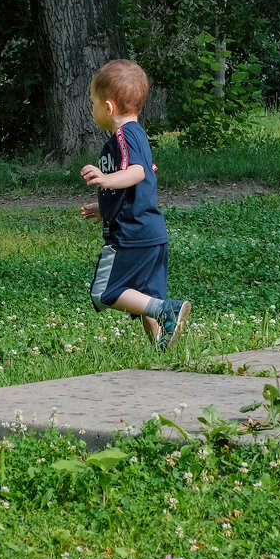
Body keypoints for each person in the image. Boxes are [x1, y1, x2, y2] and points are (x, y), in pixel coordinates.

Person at [80, 59, 192, 352]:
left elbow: (137, 173)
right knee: (146, 298)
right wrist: (104, 205)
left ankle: (167, 310)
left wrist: (105, 179)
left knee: (104, 292)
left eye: (93, 102)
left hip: (130, 236)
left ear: (108, 107)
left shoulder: (125, 135)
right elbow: (135, 188)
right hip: (151, 233)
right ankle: (161, 348)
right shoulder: (136, 135)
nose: (91, 108)